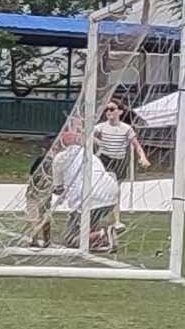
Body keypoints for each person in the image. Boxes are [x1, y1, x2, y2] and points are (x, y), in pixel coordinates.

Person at [52, 130, 120, 252]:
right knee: (89, 223)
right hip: (111, 196)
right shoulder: (90, 155)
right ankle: (100, 240)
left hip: (88, 198)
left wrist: (59, 193)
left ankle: (103, 233)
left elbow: (58, 187)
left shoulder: (60, 158)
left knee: (70, 239)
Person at [94, 99, 150, 231]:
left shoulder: (126, 129)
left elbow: (137, 145)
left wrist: (143, 157)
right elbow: (87, 134)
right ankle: (109, 220)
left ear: (120, 111)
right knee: (107, 189)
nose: (109, 112)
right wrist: (97, 141)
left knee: (115, 191)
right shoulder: (101, 127)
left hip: (119, 161)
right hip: (104, 160)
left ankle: (116, 221)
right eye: (107, 109)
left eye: (112, 109)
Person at [23, 153, 53, 248]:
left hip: (45, 196)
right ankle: (35, 239)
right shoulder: (37, 175)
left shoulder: (50, 173)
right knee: (35, 218)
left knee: (45, 217)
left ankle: (46, 240)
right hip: (34, 196)